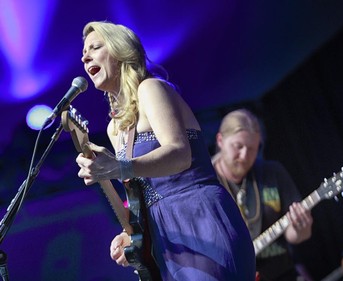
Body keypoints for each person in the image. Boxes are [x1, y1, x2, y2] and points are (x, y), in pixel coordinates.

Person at [75, 21, 255, 281]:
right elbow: (138, 198)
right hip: (167, 239)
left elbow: (180, 154)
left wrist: (118, 167)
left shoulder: (151, 88)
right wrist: (131, 235)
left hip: (199, 216)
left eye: (95, 47)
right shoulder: (115, 128)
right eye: (84, 52)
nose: (84, 56)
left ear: (120, 50)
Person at [212, 109, 313, 281]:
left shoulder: (273, 172)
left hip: (281, 272)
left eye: (252, 149)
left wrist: (301, 230)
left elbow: (293, 236)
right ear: (220, 140)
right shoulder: (205, 182)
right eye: (238, 146)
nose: (244, 156)